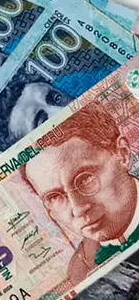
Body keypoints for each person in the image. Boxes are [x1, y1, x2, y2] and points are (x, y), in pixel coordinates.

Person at [21, 104, 139, 294]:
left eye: (84, 179)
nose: (78, 208)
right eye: (54, 197)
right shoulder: (79, 272)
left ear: (123, 154)